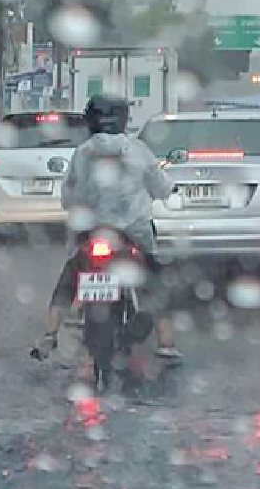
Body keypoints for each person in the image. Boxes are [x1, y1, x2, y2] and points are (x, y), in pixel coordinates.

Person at [34, 93, 180, 361]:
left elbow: (68, 197)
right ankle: (165, 341)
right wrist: (169, 189)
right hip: (134, 231)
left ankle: (49, 334)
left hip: (89, 232)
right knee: (155, 280)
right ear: (124, 119)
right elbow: (161, 186)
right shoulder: (139, 150)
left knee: (68, 279)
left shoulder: (82, 152)